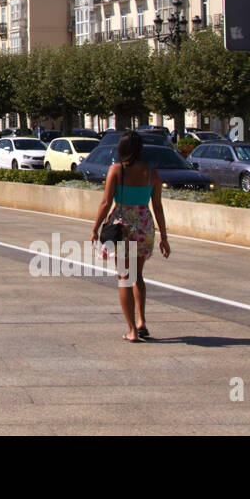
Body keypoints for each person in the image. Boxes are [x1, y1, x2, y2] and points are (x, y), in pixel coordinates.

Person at [91, 131, 170, 342]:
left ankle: (132, 330)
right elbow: (158, 207)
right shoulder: (151, 173)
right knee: (138, 276)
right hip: (144, 225)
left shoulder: (116, 170)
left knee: (125, 278)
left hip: (123, 227)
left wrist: (95, 227)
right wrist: (164, 236)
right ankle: (142, 321)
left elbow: (106, 202)